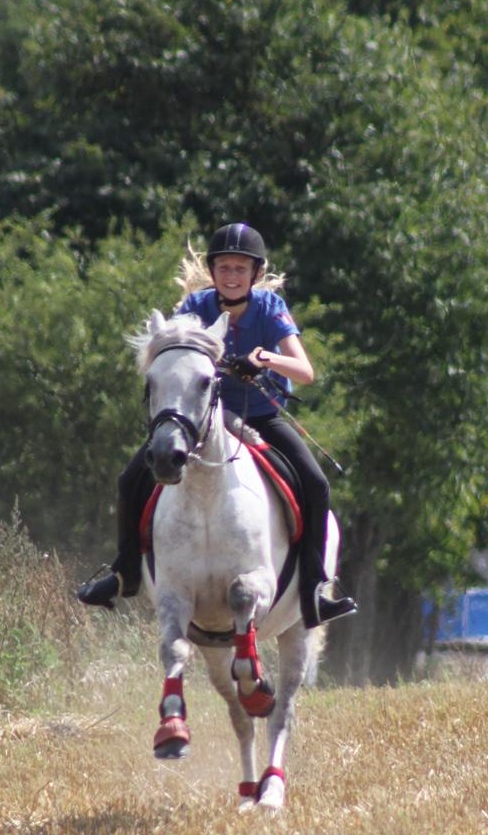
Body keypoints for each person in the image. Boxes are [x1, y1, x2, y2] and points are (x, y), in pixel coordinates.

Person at [77, 223, 357, 628]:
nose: (231, 276)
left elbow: (305, 370)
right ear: (212, 271)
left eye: (240, 269)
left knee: (316, 484)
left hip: (263, 416)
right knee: (128, 480)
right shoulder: (193, 307)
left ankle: (313, 590)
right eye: (223, 267)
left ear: (255, 274)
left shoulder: (271, 309)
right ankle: (124, 573)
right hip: (205, 420)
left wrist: (264, 359)